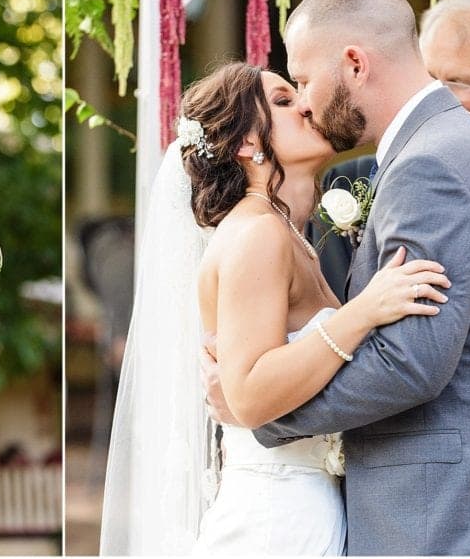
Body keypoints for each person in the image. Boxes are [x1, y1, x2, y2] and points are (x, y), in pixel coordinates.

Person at [201, 0, 470, 555]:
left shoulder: (430, 165)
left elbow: (410, 363)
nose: (304, 101)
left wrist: (263, 413)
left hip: (444, 517)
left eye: (302, 80)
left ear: (355, 63)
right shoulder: (439, 148)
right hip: (423, 509)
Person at [100, 62, 451, 555]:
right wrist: (364, 310)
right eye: (284, 102)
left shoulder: (286, 234)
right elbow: (247, 394)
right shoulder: (257, 234)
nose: (307, 106)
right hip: (275, 520)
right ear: (247, 143)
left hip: (308, 506)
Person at [312, 0, 470, 555]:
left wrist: (269, 403)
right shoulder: (365, 178)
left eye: (461, 82)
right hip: (385, 483)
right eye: (432, 76)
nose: (441, 95)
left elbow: (413, 363)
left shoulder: (441, 166)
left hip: (452, 496)